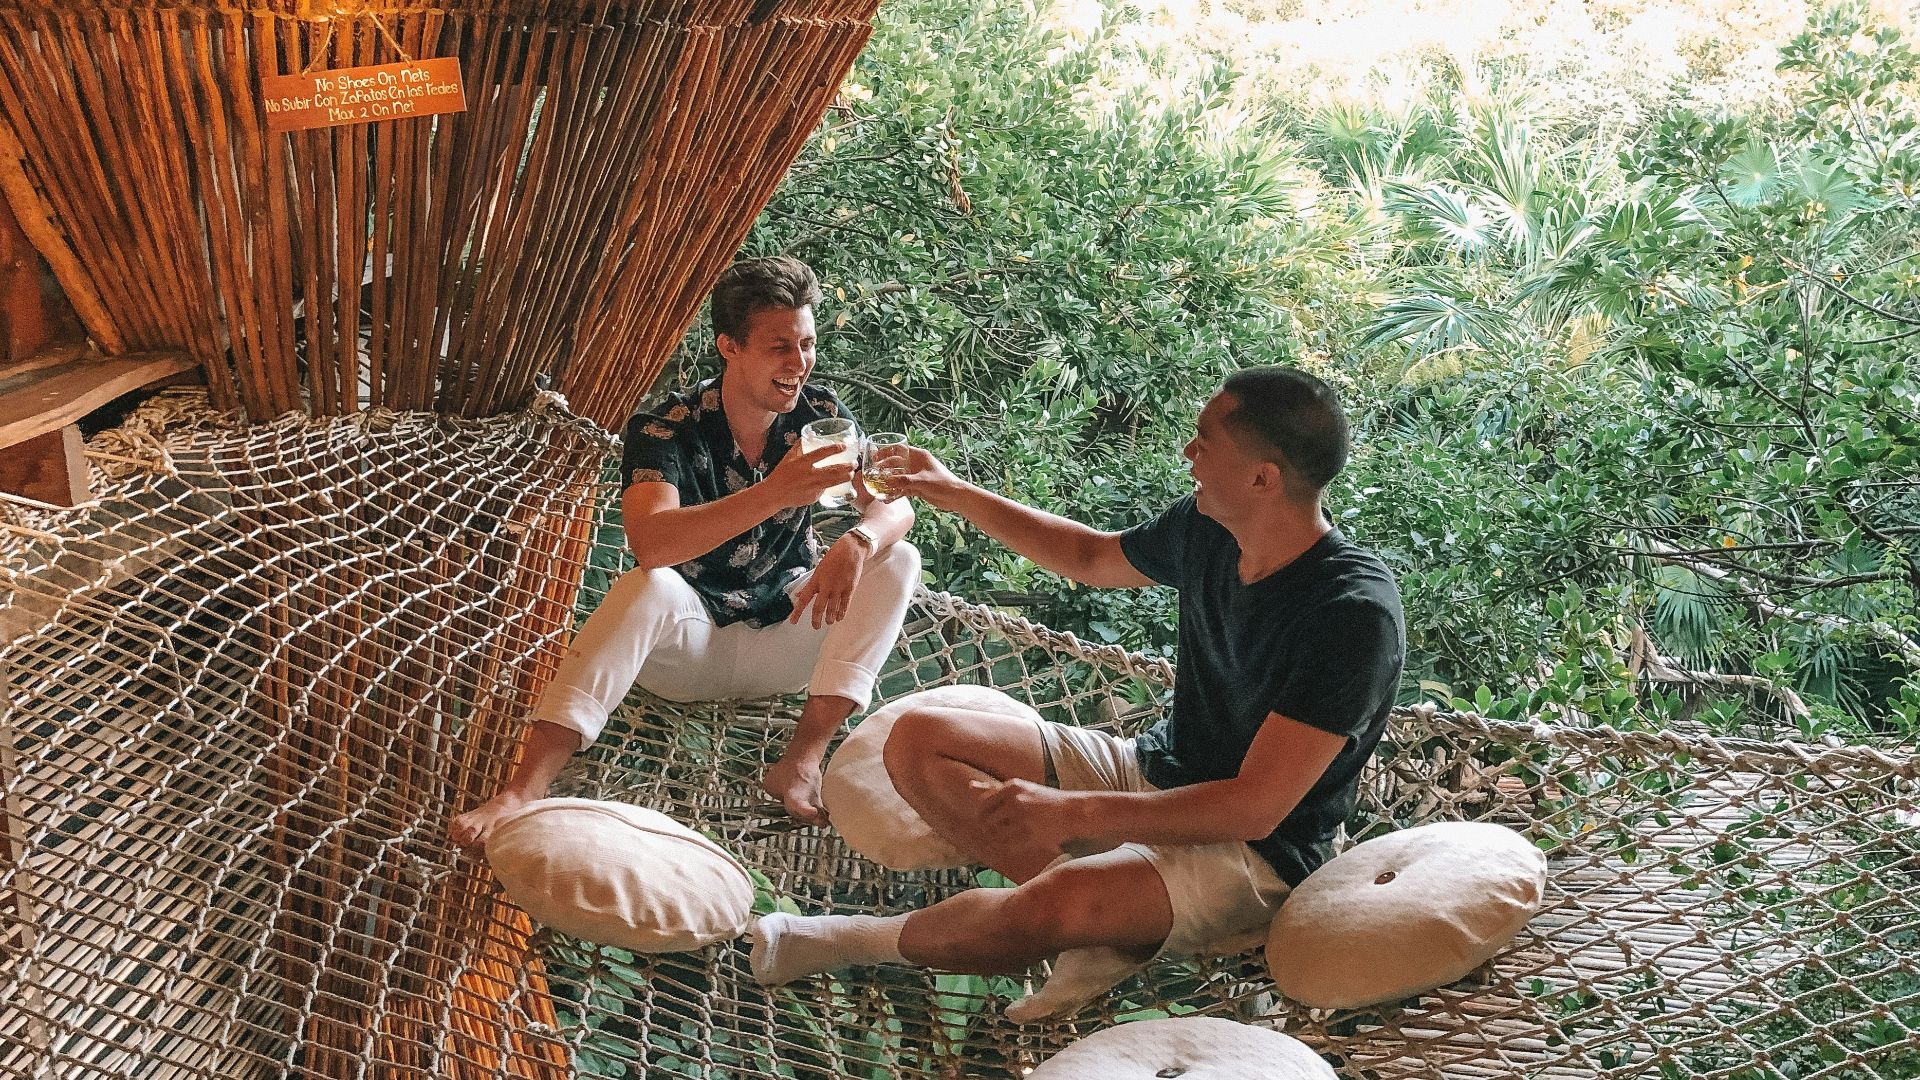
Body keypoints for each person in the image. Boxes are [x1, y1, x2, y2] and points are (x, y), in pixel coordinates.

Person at [749, 366, 1404, 1021]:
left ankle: (839, 939)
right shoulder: (1209, 527)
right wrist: (954, 491)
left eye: (1204, 442)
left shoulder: (1350, 615)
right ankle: (1096, 930)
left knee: (1050, 907)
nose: (1188, 453)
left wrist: (1076, 815)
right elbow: (1092, 558)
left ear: (1263, 478)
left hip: (1257, 854)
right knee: (920, 740)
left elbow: (1253, 809)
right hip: (1156, 770)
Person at [451, 256, 919, 849]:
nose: (799, 363)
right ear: (729, 346)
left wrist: (858, 539)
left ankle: (802, 759)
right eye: (780, 347)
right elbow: (652, 543)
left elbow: (897, 507)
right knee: (648, 586)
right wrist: (775, 492)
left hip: (788, 635)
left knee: (899, 558)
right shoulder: (665, 427)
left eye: (806, 344)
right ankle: (524, 790)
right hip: (689, 648)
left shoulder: (821, 416)